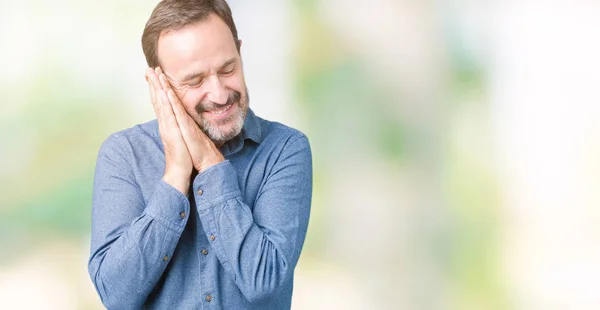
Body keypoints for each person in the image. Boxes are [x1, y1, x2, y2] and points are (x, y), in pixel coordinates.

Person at [87, 0, 312, 308]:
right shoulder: (123, 155)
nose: (220, 94)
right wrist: (175, 176)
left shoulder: (285, 149)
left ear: (240, 53)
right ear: (160, 84)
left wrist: (209, 164)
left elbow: (264, 281)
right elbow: (116, 295)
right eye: (195, 81)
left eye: (228, 69)